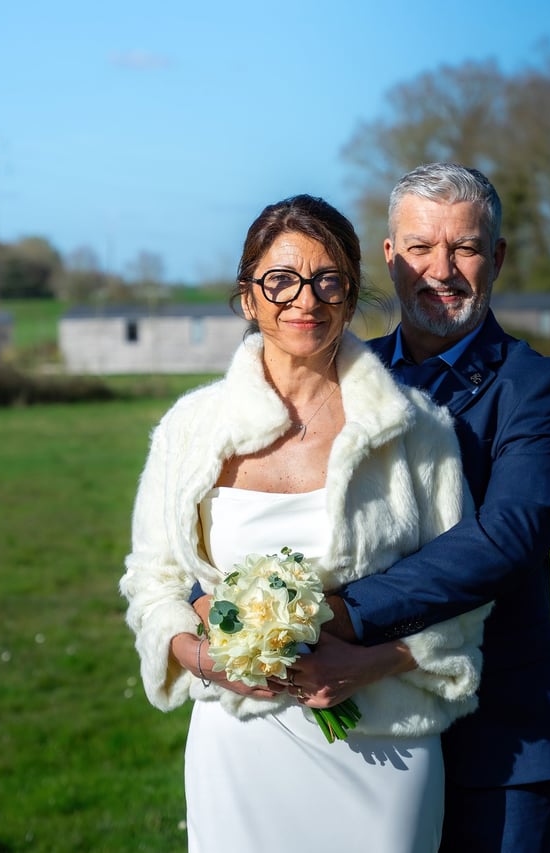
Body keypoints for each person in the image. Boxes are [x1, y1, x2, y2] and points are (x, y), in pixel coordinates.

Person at [119, 193, 490, 853]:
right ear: (248, 298)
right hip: (239, 744)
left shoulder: (420, 432)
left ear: (350, 297)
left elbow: (463, 596)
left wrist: (367, 664)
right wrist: (202, 657)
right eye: (281, 280)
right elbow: (154, 580)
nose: (305, 299)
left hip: (385, 745)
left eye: (328, 281)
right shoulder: (190, 429)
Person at [294, 163, 550, 852]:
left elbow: (506, 538)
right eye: (421, 247)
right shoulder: (336, 377)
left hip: (496, 736)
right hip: (359, 729)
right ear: (390, 256)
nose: (442, 269)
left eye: (465, 247)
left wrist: (345, 615)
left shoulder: (541, 389)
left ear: (498, 257)